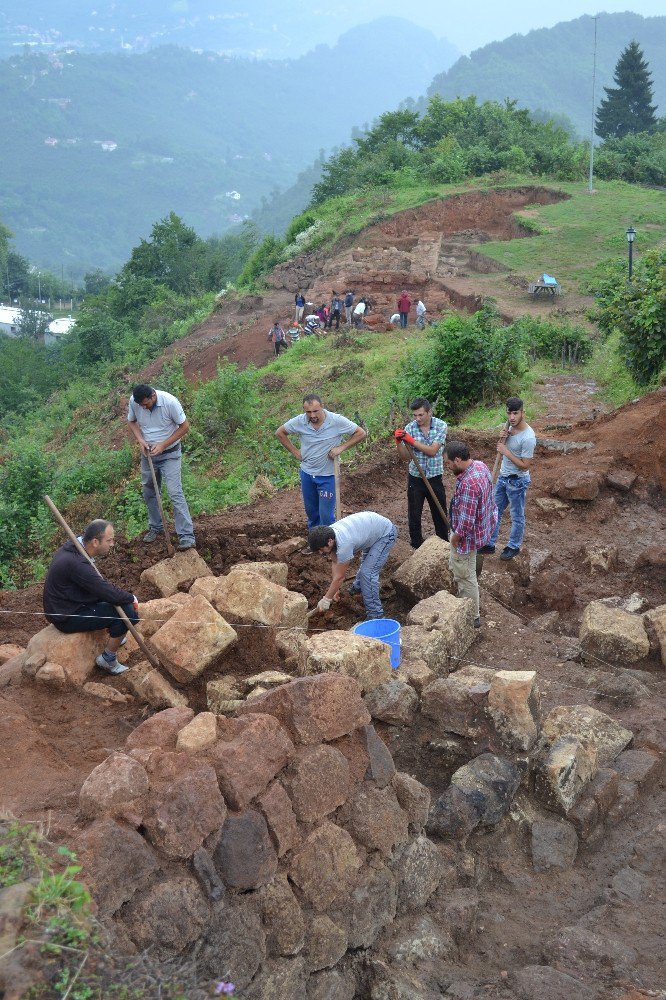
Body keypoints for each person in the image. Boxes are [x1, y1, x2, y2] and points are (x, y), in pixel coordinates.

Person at [43, 520, 139, 675]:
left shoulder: (75, 547)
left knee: (118, 605)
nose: (112, 544)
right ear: (95, 541)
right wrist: (131, 598)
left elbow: (99, 588)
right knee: (128, 612)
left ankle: (116, 634)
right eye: (109, 540)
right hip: (67, 615)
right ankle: (107, 659)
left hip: (70, 602)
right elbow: (106, 591)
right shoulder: (76, 563)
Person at [275, 394, 367, 528]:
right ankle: (315, 544)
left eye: (315, 411)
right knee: (312, 513)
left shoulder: (336, 421)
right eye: (308, 412)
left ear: (322, 407)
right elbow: (280, 433)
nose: (312, 415)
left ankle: (330, 545)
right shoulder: (300, 421)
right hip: (307, 474)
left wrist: (341, 448)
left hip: (328, 476)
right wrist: (295, 452)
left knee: (326, 515)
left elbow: (361, 433)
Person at [127, 384, 196, 551]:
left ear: (153, 396)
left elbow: (185, 427)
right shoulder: (135, 402)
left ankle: (186, 536)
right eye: (141, 405)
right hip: (148, 454)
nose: (143, 407)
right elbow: (132, 421)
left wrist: (164, 445)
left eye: (146, 404)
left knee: (174, 491)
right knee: (149, 490)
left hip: (170, 453)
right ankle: (156, 527)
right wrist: (141, 441)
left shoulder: (170, 402)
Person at [444, 442, 497, 629]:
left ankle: (471, 616)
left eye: (448, 463)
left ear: (457, 460)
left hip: (468, 538)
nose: (447, 467)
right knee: (468, 569)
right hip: (483, 530)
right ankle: (468, 603)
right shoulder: (480, 466)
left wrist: (454, 539)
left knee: (465, 577)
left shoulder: (468, 484)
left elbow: (466, 523)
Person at [309, 511, 398, 620]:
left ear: (330, 541)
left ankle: (376, 615)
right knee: (366, 568)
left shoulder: (343, 545)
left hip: (385, 534)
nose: (321, 553)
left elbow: (340, 577)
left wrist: (327, 599)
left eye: (321, 549)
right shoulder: (328, 533)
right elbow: (335, 561)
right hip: (371, 531)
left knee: (368, 573)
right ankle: (358, 588)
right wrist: (334, 590)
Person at [480, 396, 537, 560]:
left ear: (523, 413)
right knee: (494, 511)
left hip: (518, 481)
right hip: (503, 478)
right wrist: (503, 437)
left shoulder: (528, 438)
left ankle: (513, 546)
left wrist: (506, 452)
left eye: (515, 413)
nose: (512, 417)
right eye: (509, 413)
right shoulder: (509, 428)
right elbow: (504, 444)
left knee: (517, 516)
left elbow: (525, 465)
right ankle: (489, 543)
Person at [395, 397, 449, 549]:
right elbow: (405, 457)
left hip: (434, 477)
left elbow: (432, 451)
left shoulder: (441, 426)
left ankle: (443, 544)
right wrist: (399, 443)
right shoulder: (410, 428)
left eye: (421, 415)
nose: (417, 419)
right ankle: (416, 545)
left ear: (429, 412)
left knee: (439, 511)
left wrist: (411, 441)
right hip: (416, 478)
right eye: (415, 415)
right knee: (414, 514)